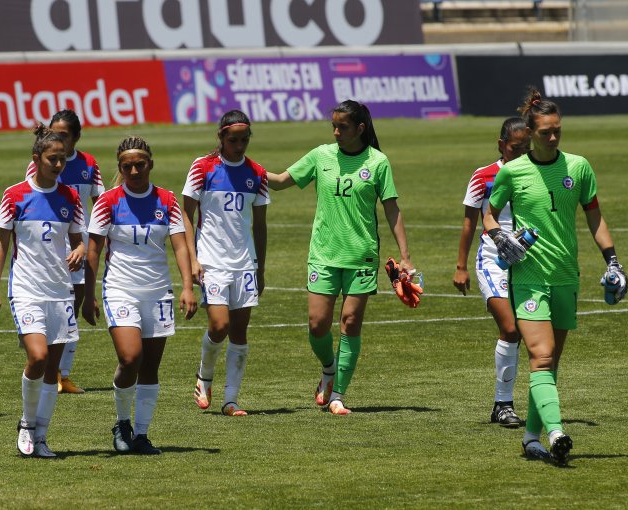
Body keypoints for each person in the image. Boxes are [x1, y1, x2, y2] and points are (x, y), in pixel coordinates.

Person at [483, 88, 627, 466]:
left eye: (557, 131)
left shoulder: (578, 167)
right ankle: (557, 431)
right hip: (528, 276)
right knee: (541, 356)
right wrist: (499, 235)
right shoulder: (512, 172)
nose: (553, 137)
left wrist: (613, 262)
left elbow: (594, 216)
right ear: (531, 132)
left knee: (549, 364)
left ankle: (532, 440)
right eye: (546, 131)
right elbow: (489, 214)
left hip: (566, 276)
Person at [266, 100, 416, 415]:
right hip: (323, 254)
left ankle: (338, 395)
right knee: (318, 324)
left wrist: (405, 256)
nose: (336, 132)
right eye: (333, 126)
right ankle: (329, 368)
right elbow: (280, 181)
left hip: (361, 256)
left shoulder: (378, 162)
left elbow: (391, 209)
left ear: (360, 128)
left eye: (342, 127)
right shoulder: (321, 155)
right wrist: (242, 167)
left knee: (350, 323)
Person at [82, 136, 197, 455]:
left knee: (150, 368)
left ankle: (142, 435)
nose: (134, 170)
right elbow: (94, 250)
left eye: (140, 165)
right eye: (127, 166)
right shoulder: (107, 201)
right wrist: (88, 293)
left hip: (158, 292)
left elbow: (180, 245)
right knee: (130, 358)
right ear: (120, 167)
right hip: (120, 289)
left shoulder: (167, 200)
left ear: (150, 164)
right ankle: (121, 423)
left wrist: (187, 287)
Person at [0, 126, 86, 457]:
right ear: (36, 158)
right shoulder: (14, 195)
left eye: (62, 159)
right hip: (27, 289)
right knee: (38, 357)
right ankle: (27, 424)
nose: (58, 165)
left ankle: (41, 436)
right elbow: (1, 244)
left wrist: (80, 250)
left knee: (53, 369)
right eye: (52, 159)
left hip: (61, 292)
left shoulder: (70, 197)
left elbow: (77, 239)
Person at [182, 110, 269, 417]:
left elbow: (260, 225)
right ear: (220, 136)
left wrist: (260, 268)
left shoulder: (257, 174)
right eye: (233, 139)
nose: (240, 145)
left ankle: (231, 400)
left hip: (244, 263)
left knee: (240, 332)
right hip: (212, 262)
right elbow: (186, 216)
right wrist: (193, 260)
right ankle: (204, 377)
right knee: (219, 325)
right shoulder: (202, 167)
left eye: (245, 139)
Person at [453, 117, 530, 428]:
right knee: (510, 328)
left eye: (526, 148)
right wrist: (460, 266)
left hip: (529, 262)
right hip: (492, 260)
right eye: (515, 149)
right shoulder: (483, 176)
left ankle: (523, 402)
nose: (521, 154)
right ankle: (503, 404)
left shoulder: (536, 173)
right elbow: (470, 222)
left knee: (527, 333)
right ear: (501, 146)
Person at [25, 110, 103, 394]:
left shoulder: (89, 164)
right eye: (54, 132)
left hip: (77, 250)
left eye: (65, 135)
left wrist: (93, 242)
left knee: (70, 312)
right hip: (47, 252)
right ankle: (46, 369)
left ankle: (63, 375)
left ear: (77, 137)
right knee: (49, 311)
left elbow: (100, 202)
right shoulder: (40, 163)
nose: (58, 139)